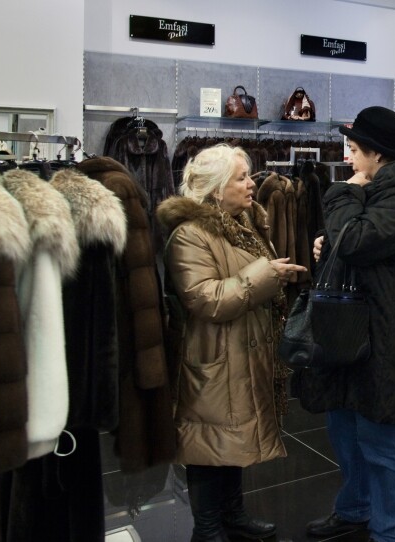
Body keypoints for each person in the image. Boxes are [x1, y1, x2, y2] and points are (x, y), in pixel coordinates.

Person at [291, 106, 395, 542]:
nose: (349, 160)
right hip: (354, 323)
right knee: (344, 423)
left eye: (354, 150)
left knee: (384, 433)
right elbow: (355, 242)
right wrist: (329, 243)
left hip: (391, 330)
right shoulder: (379, 189)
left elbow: (357, 239)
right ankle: (355, 509)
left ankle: (388, 532)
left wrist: (340, 196)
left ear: (376, 153)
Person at [156, 144, 306, 542]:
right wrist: (266, 275)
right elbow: (206, 299)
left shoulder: (245, 223)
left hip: (242, 351)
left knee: (233, 436)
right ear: (215, 188)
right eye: (241, 177)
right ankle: (207, 529)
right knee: (208, 445)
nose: (251, 184)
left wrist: (274, 275)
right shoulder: (190, 234)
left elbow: (244, 279)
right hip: (211, 355)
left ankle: (233, 515)